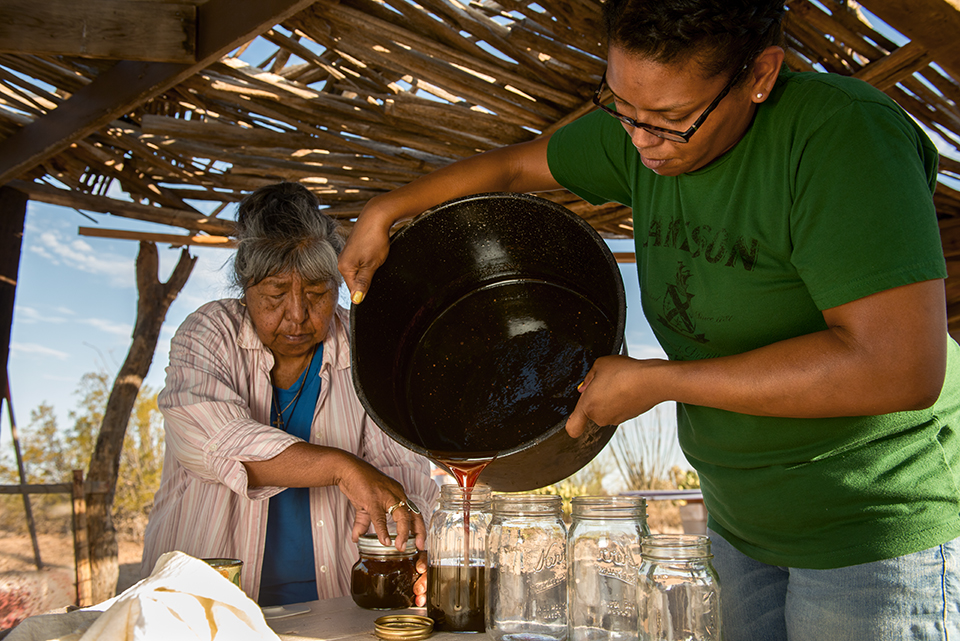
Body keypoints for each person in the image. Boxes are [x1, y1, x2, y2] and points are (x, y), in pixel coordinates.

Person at [338, 1, 960, 638]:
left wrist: (661, 381)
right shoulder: (646, 134)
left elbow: (900, 369)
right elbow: (518, 165)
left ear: (761, 75)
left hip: (872, 531)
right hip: (742, 527)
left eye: (672, 120)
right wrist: (388, 209)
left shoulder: (842, 137)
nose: (640, 141)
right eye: (623, 110)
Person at [141, 182, 440, 607]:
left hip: (334, 603)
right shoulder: (209, 333)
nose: (298, 315)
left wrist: (412, 536)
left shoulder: (361, 345)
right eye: (276, 295)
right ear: (245, 291)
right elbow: (216, 444)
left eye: (317, 294)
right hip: (202, 603)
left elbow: (399, 469)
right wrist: (341, 468)